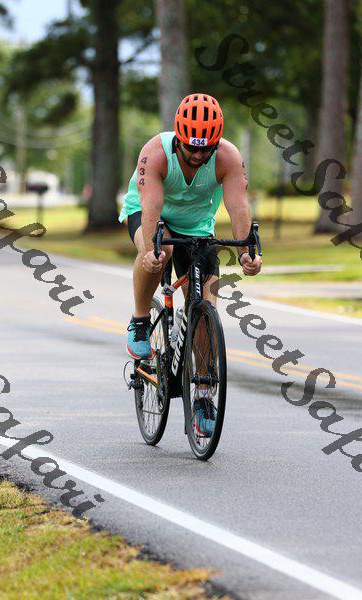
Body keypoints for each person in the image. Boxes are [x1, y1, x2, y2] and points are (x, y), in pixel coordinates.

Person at [119, 93, 262, 434]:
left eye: (206, 149)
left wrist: (247, 250)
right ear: (178, 138)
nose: (199, 155)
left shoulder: (228, 157)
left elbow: (238, 206)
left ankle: (203, 394)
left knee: (206, 304)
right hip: (150, 214)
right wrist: (152, 249)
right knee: (159, 254)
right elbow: (151, 207)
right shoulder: (155, 153)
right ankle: (140, 319)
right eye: (192, 148)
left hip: (197, 227)